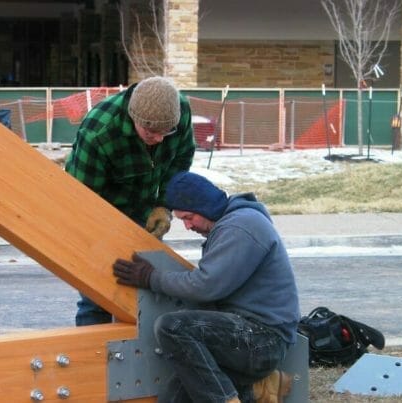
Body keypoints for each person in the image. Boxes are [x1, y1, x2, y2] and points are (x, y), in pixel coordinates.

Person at [112, 171, 300, 403]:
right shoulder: (231, 224)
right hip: (244, 336)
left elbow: (205, 286)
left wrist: (151, 277)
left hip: (262, 339)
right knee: (174, 398)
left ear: (205, 206)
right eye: (182, 219)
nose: (188, 226)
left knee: (173, 326)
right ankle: (257, 389)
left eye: (189, 217)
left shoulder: (241, 227)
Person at [66, 76, 196, 326]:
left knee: (144, 291)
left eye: (166, 132)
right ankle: (96, 357)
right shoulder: (99, 132)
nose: (159, 139)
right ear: (134, 117)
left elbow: (181, 159)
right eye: (151, 132)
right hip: (100, 212)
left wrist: (163, 205)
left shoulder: (179, 111)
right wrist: (103, 242)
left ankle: (132, 357)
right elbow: (81, 198)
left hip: (144, 209)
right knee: (98, 294)